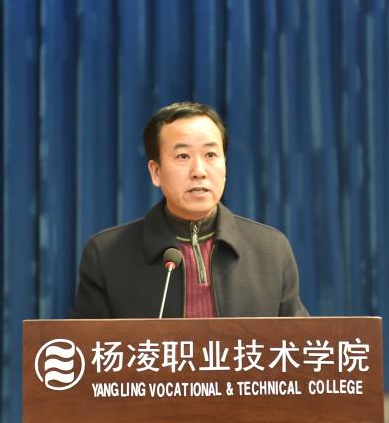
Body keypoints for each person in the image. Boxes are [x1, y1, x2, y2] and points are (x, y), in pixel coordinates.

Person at [71, 101, 308, 318]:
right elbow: (86, 347)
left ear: (225, 166)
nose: (199, 171)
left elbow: (300, 344)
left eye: (211, 155)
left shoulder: (271, 250)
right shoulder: (107, 255)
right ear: (156, 172)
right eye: (183, 156)